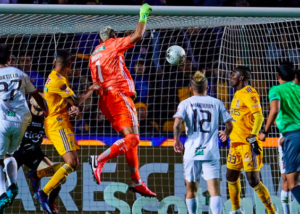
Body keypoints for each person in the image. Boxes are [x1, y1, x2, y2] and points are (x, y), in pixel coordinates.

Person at [88, 4, 156, 197]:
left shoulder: (93, 55)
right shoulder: (113, 44)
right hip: (118, 95)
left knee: (131, 139)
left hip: (106, 100)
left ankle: (136, 181)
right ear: (112, 36)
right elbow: (137, 36)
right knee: (134, 139)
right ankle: (99, 160)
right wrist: (143, 15)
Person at [36, 50, 99, 213]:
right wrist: (92, 88)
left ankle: (41, 172)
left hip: (59, 122)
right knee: (71, 162)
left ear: (54, 63)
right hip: (57, 125)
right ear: (70, 65)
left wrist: (68, 108)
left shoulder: (54, 76)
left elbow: (66, 102)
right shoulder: (58, 81)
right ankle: (42, 193)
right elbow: (77, 100)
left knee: (73, 164)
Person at [173, 71, 233, 214]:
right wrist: (225, 133)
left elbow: (176, 124)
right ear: (207, 88)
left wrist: (176, 140)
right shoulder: (216, 102)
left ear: (190, 89)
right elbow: (230, 125)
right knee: (215, 191)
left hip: (192, 152)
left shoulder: (185, 103)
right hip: (211, 152)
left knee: (191, 190)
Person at [0, 44, 46, 213]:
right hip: (22, 120)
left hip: (3, 120)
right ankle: (10, 186)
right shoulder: (21, 74)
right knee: (8, 155)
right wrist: (45, 110)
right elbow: (35, 95)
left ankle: (5, 191)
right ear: (10, 59)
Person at [227, 66, 277, 214]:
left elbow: (259, 116)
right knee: (231, 176)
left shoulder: (249, 93)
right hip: (235, 144)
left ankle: (271, 211)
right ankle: (236, 210)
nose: (231, 77)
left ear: (241, 78)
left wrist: (253, 136)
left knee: (253, 181)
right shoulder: (237, 93)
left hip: (248, 144)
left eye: (233, 74)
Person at [13, 92, 62, 214]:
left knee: (59, 177)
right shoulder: (22, 113)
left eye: (42, 99)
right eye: (37, 98)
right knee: (6, 183)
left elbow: (61, 118)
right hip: (17, 152)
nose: (40, 101)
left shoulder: (47, 118)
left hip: (35, 154)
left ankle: (49, 202)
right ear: (30, 101)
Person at [259, 62, 300, 205]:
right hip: (291, 136)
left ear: (278, 76)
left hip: (292, 137)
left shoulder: (275, 89)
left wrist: (264, 132)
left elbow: (274, 110)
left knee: (292, 182)